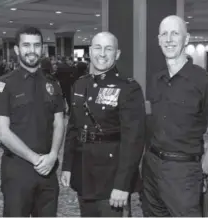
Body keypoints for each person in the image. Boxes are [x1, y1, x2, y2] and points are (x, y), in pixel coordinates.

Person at [61, 31, 146, 217]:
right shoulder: (80, 85)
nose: (102, 53)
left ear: (117, 54)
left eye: (108, 49)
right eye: (98, 48)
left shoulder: (128, 89)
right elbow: (73, 129)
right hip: (84, 173)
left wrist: (122, 185)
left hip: (111, 178)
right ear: (90, 52)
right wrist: (67, 166)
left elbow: (134, 141)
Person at [142, 15, 208, 217]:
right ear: (158, 40)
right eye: (164, 34)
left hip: (183, 171)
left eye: (175, 33)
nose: (169, 39)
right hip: (151, 167)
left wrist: (201, 172)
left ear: (186, 38)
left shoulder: (204, 81)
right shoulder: (155, 79)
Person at [0, 26, 65, 217]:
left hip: (48, 168)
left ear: (42, 49)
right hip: (18, 170)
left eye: (37, 45)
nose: (32, 50)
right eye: (26, 45)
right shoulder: (3, 84)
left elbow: (59, 122)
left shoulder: (52, 84)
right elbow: (2, 132)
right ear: (17, 50)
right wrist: (35, 159)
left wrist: (54, 154)